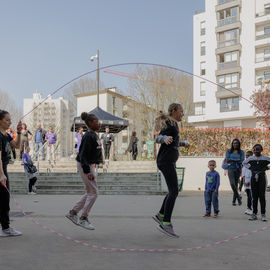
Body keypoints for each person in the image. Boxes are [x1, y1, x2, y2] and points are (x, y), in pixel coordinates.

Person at [153, 103, 189, 238]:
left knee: (172, 191)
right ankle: (165, 223)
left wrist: (183, 143)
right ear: (174, 111)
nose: (182, 114)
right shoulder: (170, 123)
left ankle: (161, 215)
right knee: (174, 191)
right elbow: (158, 138)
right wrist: (164, 138)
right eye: (181, 111)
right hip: (166, 161)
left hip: (167, 161)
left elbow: (172, 142)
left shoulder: (174, 124)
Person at [66, 112, 102, 230]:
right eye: (97, 121)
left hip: (89, 165)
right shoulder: (88, 136)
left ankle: (73, 212)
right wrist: (88, 172)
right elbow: (82, 155)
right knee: (94, 193)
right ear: (90, 123)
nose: (99, 123)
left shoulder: (94, 135)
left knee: (90, 192)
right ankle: (83, 218)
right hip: (85, 166)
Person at [0, 110, 22, 236]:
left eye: (10, 120)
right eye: (7, 120)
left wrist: (19, 132)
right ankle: (5, 228)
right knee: (4, 199)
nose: (10, 122)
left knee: (3, 199)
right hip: (1, 170)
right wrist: (1, 175)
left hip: (4, 169)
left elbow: (17, 146)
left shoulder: (6, 135)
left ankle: (5, 226)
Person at [243, 144, 270, 222]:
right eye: (254, 150)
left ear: (261, 150)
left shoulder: (265, 158)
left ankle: (263, 214)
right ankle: (254, 214)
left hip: (262, 178)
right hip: (253, 178)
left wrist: (267, 168)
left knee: (262, 197)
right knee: (254, 197)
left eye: (258, 149)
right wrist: (251, 168)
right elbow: (244, 163)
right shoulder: (251, 158)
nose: (256, 151)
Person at [225, 139, 244, 206]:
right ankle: (238, 198)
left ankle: (233, 201)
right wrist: (236, 160)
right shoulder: (229, 151)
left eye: (236, 143)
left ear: (239, 144)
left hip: (238, 169)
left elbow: (241, 160)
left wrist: (232, 160)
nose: (235, 144)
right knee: (232, 184)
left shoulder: (241, 152)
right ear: (232, 144)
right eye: (234, 143)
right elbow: (227, 159)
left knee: (235, 185)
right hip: (230, 169)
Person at [242, 151, 253, 215]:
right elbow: (243, 176)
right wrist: (244, 183)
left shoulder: (253, 165)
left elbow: (253, 174)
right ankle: (248, 208)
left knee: (252, 197)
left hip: (251, 183)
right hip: (246, 183)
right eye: (246, 156)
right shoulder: (244, 165)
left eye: (248, 156)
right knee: (248, 196)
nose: (247, 157)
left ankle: (252, 209)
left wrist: (250, 182)